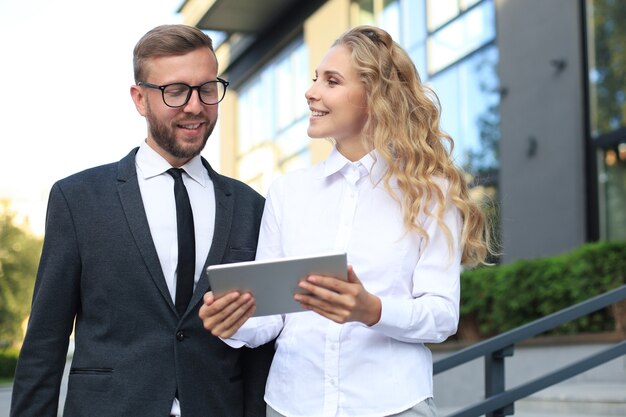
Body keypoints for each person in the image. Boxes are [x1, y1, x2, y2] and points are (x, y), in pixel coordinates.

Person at [199, 25, 491, 417]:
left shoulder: (430, 193)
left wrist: (371, 309)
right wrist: (233, 321)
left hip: (393, 405)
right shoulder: (288, 191)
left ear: (376, 97)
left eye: (331, 81)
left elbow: (441, 317)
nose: (311, 91)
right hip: (292, 404)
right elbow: (275, 319)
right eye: (316, 78)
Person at [10, 24, 273, 417]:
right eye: (175, 90)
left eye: (206, 88)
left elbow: (260, 345)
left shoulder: (252, 206)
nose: (195, 106)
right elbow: (45, 340)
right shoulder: (78, 199)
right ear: (139, 98)